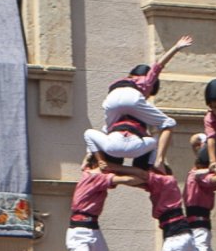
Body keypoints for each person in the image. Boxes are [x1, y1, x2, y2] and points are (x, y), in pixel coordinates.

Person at [83, 35, 193, 171]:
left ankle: (89, 159)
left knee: (107, 130)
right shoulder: (145, 82)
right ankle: (158, 161)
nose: (147, 97)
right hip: (132, 99)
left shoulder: (120, 81)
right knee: (168, 123)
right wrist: (176, 47)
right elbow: (158, 66)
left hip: (110, 101)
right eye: (148, 95)